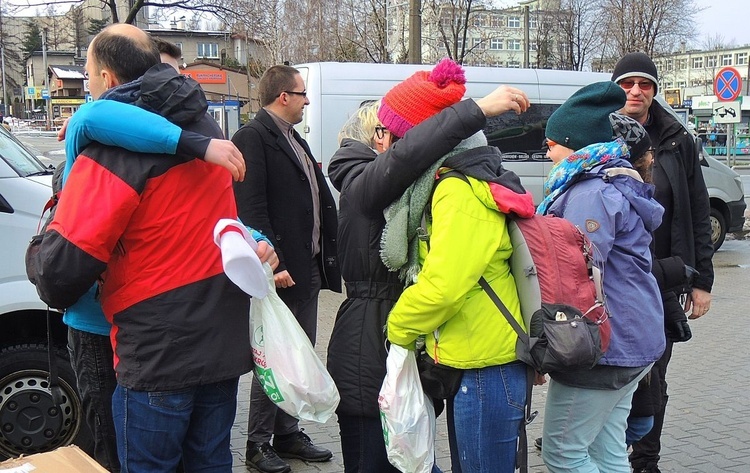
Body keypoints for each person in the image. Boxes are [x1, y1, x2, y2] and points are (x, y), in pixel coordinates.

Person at [28, 24, 277, 472]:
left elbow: (61, 273)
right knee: (209, 463)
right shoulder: (207, 130)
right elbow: (215, 223)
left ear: (106, 78)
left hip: (157, 351)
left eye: (88, 75)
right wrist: (257, 239)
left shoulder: (111, 148)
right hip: (220, 344)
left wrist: (39, 247)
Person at [327, 58, 530, 473]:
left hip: (475, 361)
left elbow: (444, 285)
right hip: (397, 350)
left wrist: (401, 331)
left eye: (392, 132)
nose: (390, 145)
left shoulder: (455, 191)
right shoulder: (371, 181)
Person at [536, 81, 665, 473]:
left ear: (574, 143)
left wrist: (546, 344)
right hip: (632, 337)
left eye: (552, 142)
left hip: (604, 347)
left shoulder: (588, 192)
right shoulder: (611, 183)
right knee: (606, 453)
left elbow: (574, 276)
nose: (546, 149)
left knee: (563, 453)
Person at [232, 64, 341, 473]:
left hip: (306, 267)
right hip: (279, 271)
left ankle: (288, 433)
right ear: (283, 96)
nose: (307, 101)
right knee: (275, 359)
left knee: (299, 354)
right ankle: (257, 444)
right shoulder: (253, 138)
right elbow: (250, 207)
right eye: (302, 94)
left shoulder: (294, 137)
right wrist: (269, 262)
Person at [611, 52, 714, 473]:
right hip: (609, 280)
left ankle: (645, 459)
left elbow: (697, 209)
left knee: (654, 373)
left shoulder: (677, 139)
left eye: (645, 84)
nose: (636, 91)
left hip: (661, 280)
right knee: (606, 372)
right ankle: (601, 446)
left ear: (654, 90)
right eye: (627, 83)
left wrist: (701, 279)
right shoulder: (596, 133)